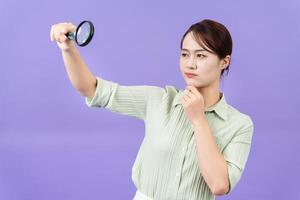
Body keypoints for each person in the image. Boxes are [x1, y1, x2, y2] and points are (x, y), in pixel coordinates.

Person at [50, 19, 254, 200]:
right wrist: (68, 49)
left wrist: (198, 120)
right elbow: (92, 89)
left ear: (224, 62)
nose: (190, 64)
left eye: (200, 56)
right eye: (185, 54)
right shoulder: (159, 100)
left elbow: (219, 185)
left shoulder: (239, 124)